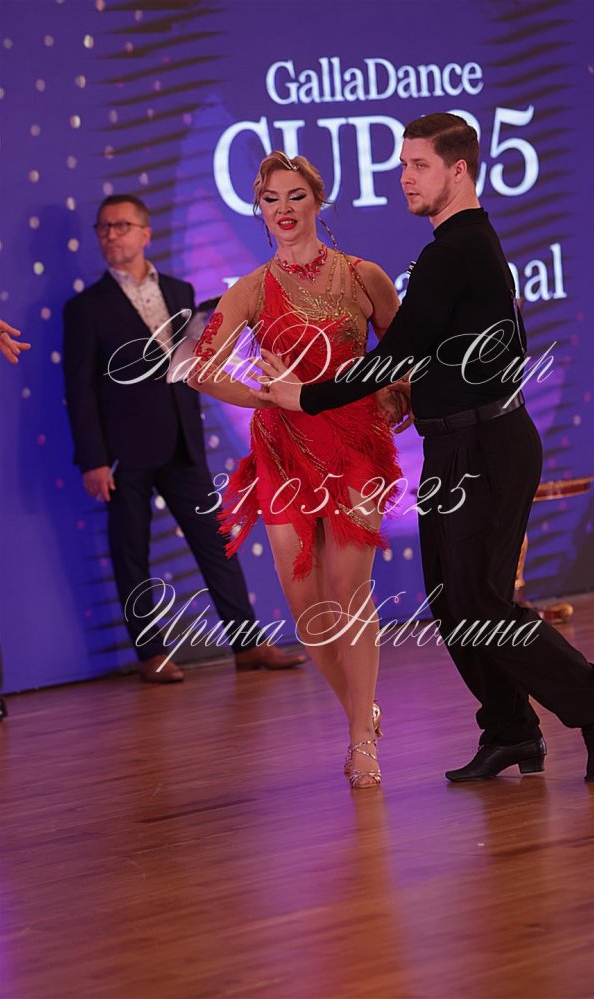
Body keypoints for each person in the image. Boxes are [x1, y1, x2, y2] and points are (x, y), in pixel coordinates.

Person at [254, 115, 594, 783]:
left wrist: (304, 396)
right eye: (403, 164)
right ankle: (511, 732)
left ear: (458, 170)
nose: (405, 177)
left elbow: (398, 353)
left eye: (421, 165)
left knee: (482, 603)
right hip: (458, 444)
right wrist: (417, 397)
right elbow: (443, 354)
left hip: (487, 445)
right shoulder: (462, 246)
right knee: (452, 600)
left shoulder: (454, 252)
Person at [188, 151, 410, 787]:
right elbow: (201, 369)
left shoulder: (364, 275)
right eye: (271, 200)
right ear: (258, 210)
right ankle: (361, 712)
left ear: (317, 201)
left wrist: (397, 396)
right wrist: (265, 396)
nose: (283, 210)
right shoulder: (252, 288)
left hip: (354, 446)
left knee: (348, 587)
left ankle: (361, 740)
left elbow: (404, 353)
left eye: (295, 197)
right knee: (306, 606)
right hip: (282, 453)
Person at [62, 194, 305, 683]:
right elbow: (79, 389)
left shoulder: (180, 290)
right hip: (122, 452)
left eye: (121, 226)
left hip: (182, 441)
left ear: (145, 233)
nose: (111, 235)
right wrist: (93, 458)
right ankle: (150, 652)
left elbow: (196, 360)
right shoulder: (85, 308)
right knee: (131, 553)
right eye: (103, 228)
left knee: (217, 545)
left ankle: (248, 645)